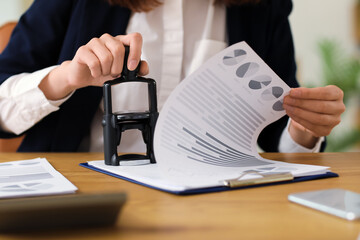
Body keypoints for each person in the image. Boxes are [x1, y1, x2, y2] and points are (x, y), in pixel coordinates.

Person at [0, 0, 345, 153]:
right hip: (85, 196)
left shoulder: (264, 7)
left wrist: (302, 131)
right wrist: (65, 79)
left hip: (216, 201)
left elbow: (277, 135)